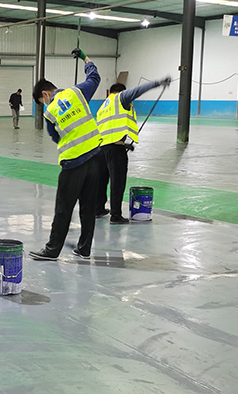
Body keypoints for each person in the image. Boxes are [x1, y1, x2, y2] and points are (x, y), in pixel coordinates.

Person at [30, 48, 104, 261]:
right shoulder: (77, 92)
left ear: (45, 94)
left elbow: (55, 137)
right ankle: (84, 248)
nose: (44, 105)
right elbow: (95, 77)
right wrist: (84, 57)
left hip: (73, 163)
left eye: (42, 101)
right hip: (95, 157)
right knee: (88, 207)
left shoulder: (50, 112)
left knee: (64, 208)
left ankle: (52, 250)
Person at [95, 78, 171, 224]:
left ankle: (98, 209)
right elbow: (138, 90)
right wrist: (158, 83)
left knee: (101, 181)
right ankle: (115, 215)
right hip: (114, 149)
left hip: (101, 149)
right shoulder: (121, 97)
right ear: (121, 91)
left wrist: (124, 145)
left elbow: (108, 129)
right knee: (117, 182)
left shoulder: (104, 106)